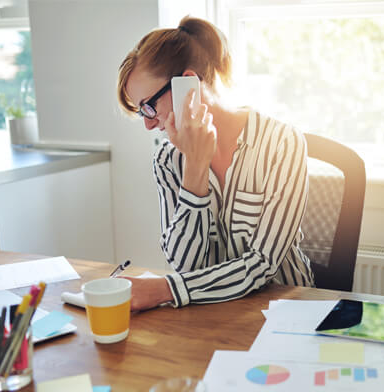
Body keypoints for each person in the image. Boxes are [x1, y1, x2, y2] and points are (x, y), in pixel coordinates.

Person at [117, 16, 313, 310]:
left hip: (285, 310)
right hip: (208, 314)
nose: (148, 125)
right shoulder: (168, 161)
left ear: (188, 84)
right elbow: (185, 264)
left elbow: (264, 264)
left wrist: (165, 289)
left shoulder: (282, 143)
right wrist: (195, 167)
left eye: (149, 106)